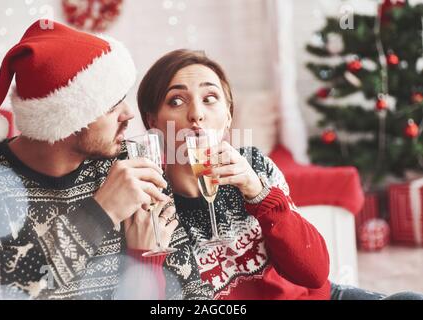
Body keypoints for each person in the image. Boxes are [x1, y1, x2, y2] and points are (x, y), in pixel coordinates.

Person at [137, 49, 423, 300]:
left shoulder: (255, 165)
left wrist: (257, 192)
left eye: (210, 98)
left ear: (227, 117)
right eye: (176, 101)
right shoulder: (150, 203)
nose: (196, 114)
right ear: (153, 121)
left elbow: (314, 273)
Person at [0, 21, 212, 300]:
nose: (129, 115)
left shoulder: (130, 163)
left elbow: (193, 292)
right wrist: (101, 212)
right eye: (112, 107)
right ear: (67, 121)